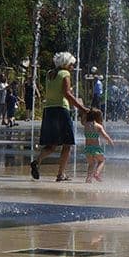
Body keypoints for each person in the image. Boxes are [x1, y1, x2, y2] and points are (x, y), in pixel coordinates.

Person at [30, 51, 88, 183]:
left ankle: (37, 161)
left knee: (52, 144)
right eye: (72, 65)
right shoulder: (65, 74)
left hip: (49, 110)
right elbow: (66, 94)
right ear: (66, 64)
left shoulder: (50, 73)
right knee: (67, 144)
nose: (73, 68)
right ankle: (60, 174)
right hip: (61, 110)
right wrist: (82, 108)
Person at [82, 107, 114, 182]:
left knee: (91, 164)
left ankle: (88, 178)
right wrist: (110, 141)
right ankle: (97, 174)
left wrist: (85, 113)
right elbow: (105, 135)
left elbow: (82, 120)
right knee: (102, 161)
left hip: (87, 148)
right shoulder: (98, 126)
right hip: (96, 148)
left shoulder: (85, 124)